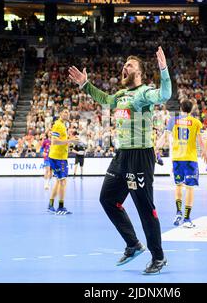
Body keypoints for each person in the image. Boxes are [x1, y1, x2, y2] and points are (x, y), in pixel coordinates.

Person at [68, 46, 171, 275]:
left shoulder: (144, 93)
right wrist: (85, 85)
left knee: (145, 208)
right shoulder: (121, 96)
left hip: (140, 155)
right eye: (125, 63)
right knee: (108, 199)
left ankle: (158, 256)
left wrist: (163, 69)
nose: (125, 66)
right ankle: (133, 244)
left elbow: (164, 95)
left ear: (140, 73)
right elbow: (105, 99)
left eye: (130, 65)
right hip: (122, 155)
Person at [156, 99, 207, 228]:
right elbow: (201, 141)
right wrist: (205, 152)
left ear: (180, 108)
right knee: (189, 188)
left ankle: (178, 211)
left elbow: (164, 137)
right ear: (191, 109)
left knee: (178, 186)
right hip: (190, 159)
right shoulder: (196, 122)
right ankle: (186, 218)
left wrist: (156, 148)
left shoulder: (173, 120)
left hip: (177, 159)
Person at [47, 110, 78, 215]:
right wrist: (70, 141)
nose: (66, 114)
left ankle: (50, 205)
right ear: (60, 114)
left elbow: (61, 140)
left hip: (60, 156)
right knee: (63, 182)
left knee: (59, 181)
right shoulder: (58, 125)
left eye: (68, 112)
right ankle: (60, 207)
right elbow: (54, 141)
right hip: (58, 158)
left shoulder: (63, 125)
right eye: (64, 112)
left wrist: (70, 141)